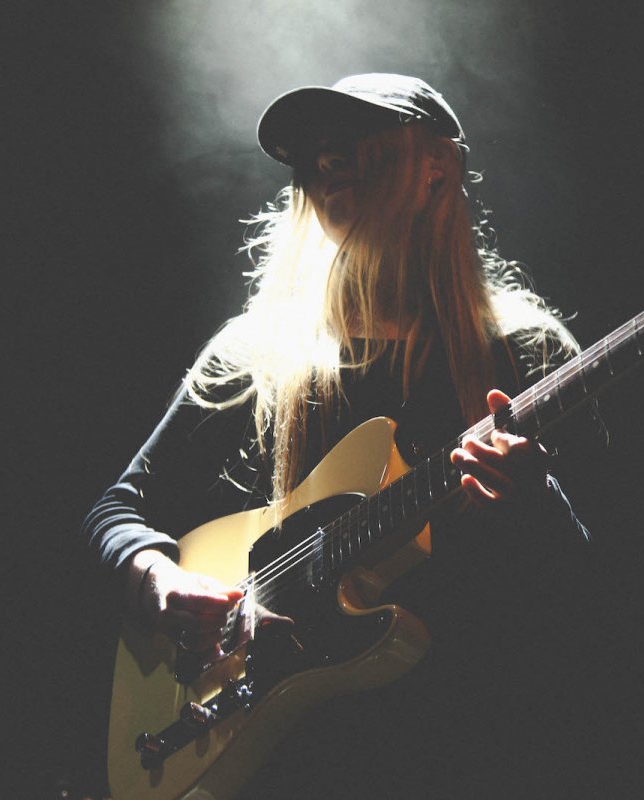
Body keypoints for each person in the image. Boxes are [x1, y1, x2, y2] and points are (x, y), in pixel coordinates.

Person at [83, 73, 598, 797]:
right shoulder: (258, 349)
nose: (327, 164)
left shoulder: (526, 354)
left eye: (357, 145)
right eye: (314, 155)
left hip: (472, 748)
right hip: (293, 757)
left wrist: (531, 497)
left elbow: (590, 598)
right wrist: (158, 580)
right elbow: (117, 509)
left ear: (436, 169)